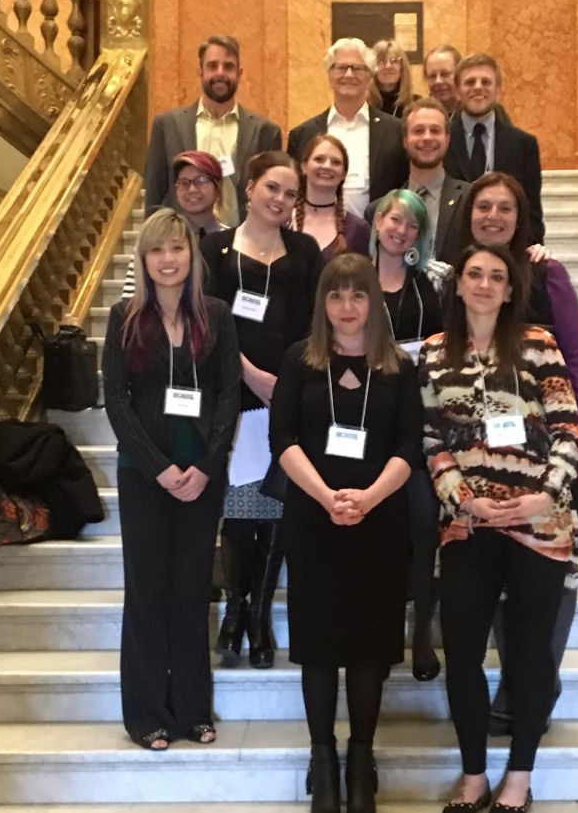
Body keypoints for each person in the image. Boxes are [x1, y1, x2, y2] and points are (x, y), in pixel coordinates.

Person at [420, 244, 578, 813]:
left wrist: (544, 496)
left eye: (497, 277)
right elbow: (430, 441)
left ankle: (519, 775)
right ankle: (474, 776)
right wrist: (465, 500)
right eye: (475, 275)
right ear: (458, 285)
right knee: (463, 650)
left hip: (540, 524)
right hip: (469, 525)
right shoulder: (435, 354)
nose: (486, 284)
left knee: (530, 652)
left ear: (511, 289)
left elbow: (567, 428)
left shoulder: (539, 344)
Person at [451, 171, 578, 739]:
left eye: (504, 208)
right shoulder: (462, 274)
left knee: (552, 573)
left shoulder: (545, 272)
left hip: (551, 450)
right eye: (482, 206)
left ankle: (536, 681)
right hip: (483, 456)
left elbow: (577, 355)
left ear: (521, 217)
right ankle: (515, 678)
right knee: (495, 561)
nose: (493, 216)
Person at [270, 253, 423, 813]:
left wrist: (368, 498)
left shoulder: (399, 368)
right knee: (317, 647)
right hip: (314, 521)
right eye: (336, 296)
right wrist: (327, 497)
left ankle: (361, 758)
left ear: (374, 303)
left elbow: (410, 447)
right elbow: (281, 438)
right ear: (323, 303)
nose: (347, 306)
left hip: (380, 523)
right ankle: (322, 760)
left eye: (358, 295)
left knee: (366, 648)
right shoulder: (299, 360)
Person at [102, 208, 242, 750]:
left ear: (191, 256)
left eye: (177, 249)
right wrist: (159, 467)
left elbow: (230, 394)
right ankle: (145, 714)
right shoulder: (123, 319)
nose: (168, 259)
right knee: (147, 592)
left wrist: (206, 468)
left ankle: (192, 709)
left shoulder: (216, 316)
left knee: (191, 592)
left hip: (201, 478)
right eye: (157, 250)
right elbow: (115, 398)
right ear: (143, 260)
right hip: (144, 474)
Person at [201, 151, 323, 671]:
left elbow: (317, 324)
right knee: (237, 510)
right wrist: (251, 374)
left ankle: (259, 618)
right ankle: (235, 608)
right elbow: (206, 320)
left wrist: (290, 383)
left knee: (275, 507)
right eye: (272, 187)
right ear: (249, 188)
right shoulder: (215, 248)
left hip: (288, 397)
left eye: (290, 193)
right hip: (234, 393)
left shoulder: (305, 249)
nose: (280, 199)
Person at [369, 189, 444, 682]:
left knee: (422, 524)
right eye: (395, 220)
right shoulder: (354, 280)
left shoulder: (427, 287)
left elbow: (440, 350)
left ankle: (421, 633)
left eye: (412, 225)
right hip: (365, 422)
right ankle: (382, 624)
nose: (401, 230)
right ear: (378, 222)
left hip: (415, 421)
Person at [145, 35, 282, 224]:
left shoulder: (265, 132)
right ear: (200, 71)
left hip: (242, 244)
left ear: (239, 73)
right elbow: (154, 195)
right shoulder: (167, 126)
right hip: (183, 245)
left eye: (228, 67)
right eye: (212, 66)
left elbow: (272, 198)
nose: (220, 73)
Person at [288, 37, 408, 219]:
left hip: (378, 238)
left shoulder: (395, 131)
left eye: (357, 68)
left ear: (369, 78)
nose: (349, 75)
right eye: (341, 68)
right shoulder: (303, 134)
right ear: (330, 76)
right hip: (318, 238)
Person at [444, 54, 545, 244]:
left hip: (508, 252)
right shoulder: (442, 140)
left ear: (498, 90)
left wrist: (534, 253)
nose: (478, 87)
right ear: (458, 91)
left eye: (486, 82)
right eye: (470, 82)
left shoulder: (524, 145)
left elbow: (532, 212)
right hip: (454, 250)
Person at [122, 151, 228, 299]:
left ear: (218, 187)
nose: (192, 189)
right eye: (184, 183)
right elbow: (131, 296)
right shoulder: (153, 236)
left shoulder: (232, 240)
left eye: (201, 181)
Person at [399, 98, 471, 260]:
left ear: (447, 139)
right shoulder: (384, 206)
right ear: (405, 140)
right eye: (418, 131)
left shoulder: (471, 199)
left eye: (435, 131)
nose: (427, 137)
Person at [293, 134, 372, 262]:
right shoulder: (282, 222)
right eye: (319, 159)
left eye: (336, 162)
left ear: (344, 174)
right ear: (303, 167)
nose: (327, 166)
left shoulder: (359, 230)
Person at [368, 38, 418, 119]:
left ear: (402, 67)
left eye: (394, 61)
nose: (388, 66)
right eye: (381, 61)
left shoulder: (416, 104)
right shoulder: (364, 105)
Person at [423, 43, 462, 116]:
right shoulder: (420, 116)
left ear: (460, 74)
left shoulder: (473, 113)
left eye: (445, 74)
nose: (438, 81)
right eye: (432, 75)